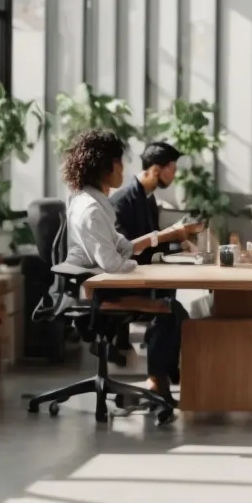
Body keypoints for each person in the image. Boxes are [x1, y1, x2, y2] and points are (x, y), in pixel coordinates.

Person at [60, 131, 199, 394]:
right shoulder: (93, 209)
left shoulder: (96, 203)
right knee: (173, 310)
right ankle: (160, 380)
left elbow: (123, 245)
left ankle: (162, 376)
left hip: (106, 282)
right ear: (106, 165)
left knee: (170, 299)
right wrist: (142, 261)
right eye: (120, 162)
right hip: (104, 291)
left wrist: (160, 243)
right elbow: (113, 263)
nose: (124, 169)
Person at [110, 141, 203, 264]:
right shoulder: (120, 201)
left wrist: (181, 245)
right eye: (173, 170)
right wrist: (171, 233)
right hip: (127, 276)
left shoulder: (149, 199)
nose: (174, 176)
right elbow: (125, 249)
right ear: (156, 170)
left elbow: (153, 246)